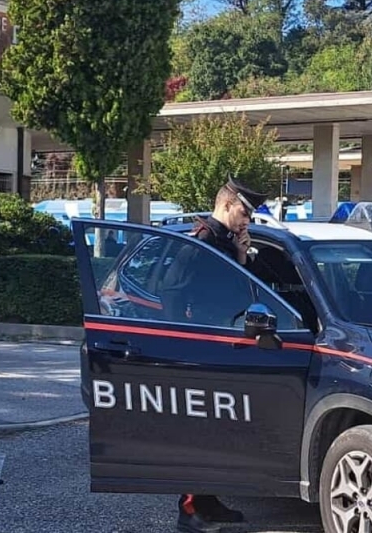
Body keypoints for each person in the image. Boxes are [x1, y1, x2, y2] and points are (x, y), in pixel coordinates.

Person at [162, 175, 268, 533]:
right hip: (202, 347)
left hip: (224, 344)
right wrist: (186, 339)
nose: (247, 221)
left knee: (218, 430)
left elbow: (239, 293)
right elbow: (171, 293)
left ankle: (208, 500)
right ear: (226, 204)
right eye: (244, 212)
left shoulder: (225, 242)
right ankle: (189, 509)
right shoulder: (201, 242)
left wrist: (241, 255)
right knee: (199, 432)